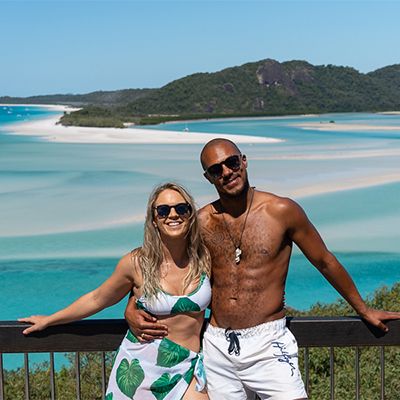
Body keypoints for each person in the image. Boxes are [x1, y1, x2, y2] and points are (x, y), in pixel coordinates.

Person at [125, 138, 400, 400]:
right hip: (217, 345)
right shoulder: (202, 221)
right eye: (216, 169)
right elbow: (166, 264)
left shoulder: (281, 211)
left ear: (244, 161)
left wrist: (363, 309)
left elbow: (324, 260)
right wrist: (133, 304)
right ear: (208, 177)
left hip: (269, 343)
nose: (227, 172)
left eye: (231, 162)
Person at [19, 182, 211, 400]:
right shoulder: (136, 263)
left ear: (191, 214)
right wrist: (51, 319)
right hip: (140, 369)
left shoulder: (205, 259)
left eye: (181, 208)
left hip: (188, 367)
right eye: (163, 210)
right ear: (154, 220)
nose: (173, 215)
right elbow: (98, 298)